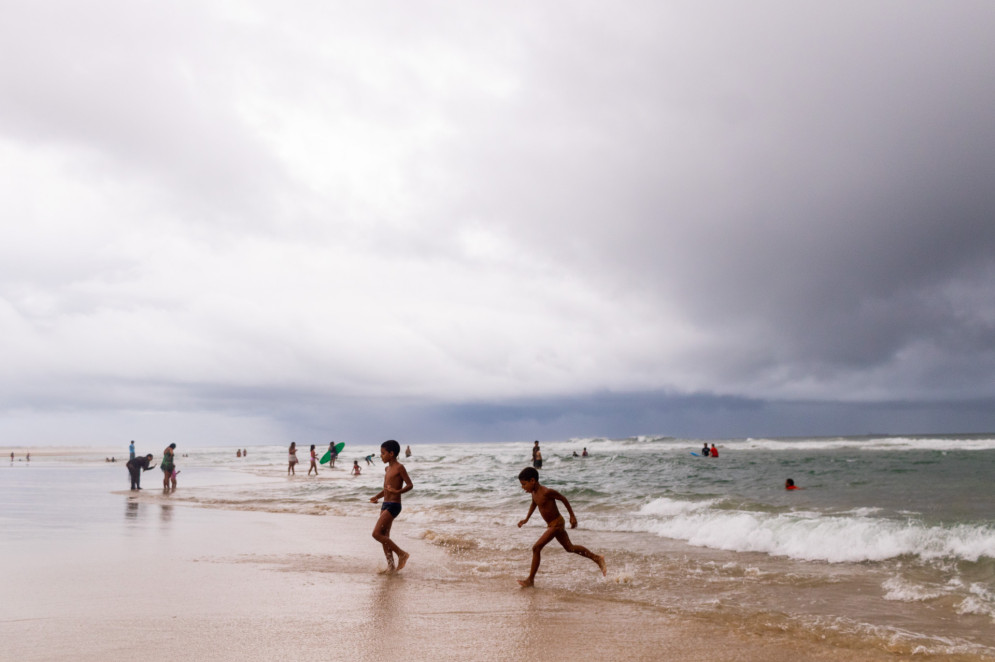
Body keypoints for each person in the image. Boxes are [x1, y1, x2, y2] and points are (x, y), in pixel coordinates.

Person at [516, 466, 606, 587]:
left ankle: (530, 580)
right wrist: (526, 519)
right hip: (551, 525)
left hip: (557, 523)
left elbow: (563, 498)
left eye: (524, 484)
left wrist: (572, 516)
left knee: (536, 548)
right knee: (570, 548)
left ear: (532, 481)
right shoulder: (534, 493)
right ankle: (597, 558)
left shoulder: (546, 492)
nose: (523, 487)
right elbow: (534, 504)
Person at [369, 440, 413, 573]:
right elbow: (386, 489)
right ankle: (391, 567)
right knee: (384, 536)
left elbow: (410, 485)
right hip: (385, 504)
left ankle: (402, 554)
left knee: (376, 534)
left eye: (383, 453)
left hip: (394, 505)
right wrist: (377, 496)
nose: (381, 456)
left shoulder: (399, 467)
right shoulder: (387, 468)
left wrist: (398, 492)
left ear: (391, 453)